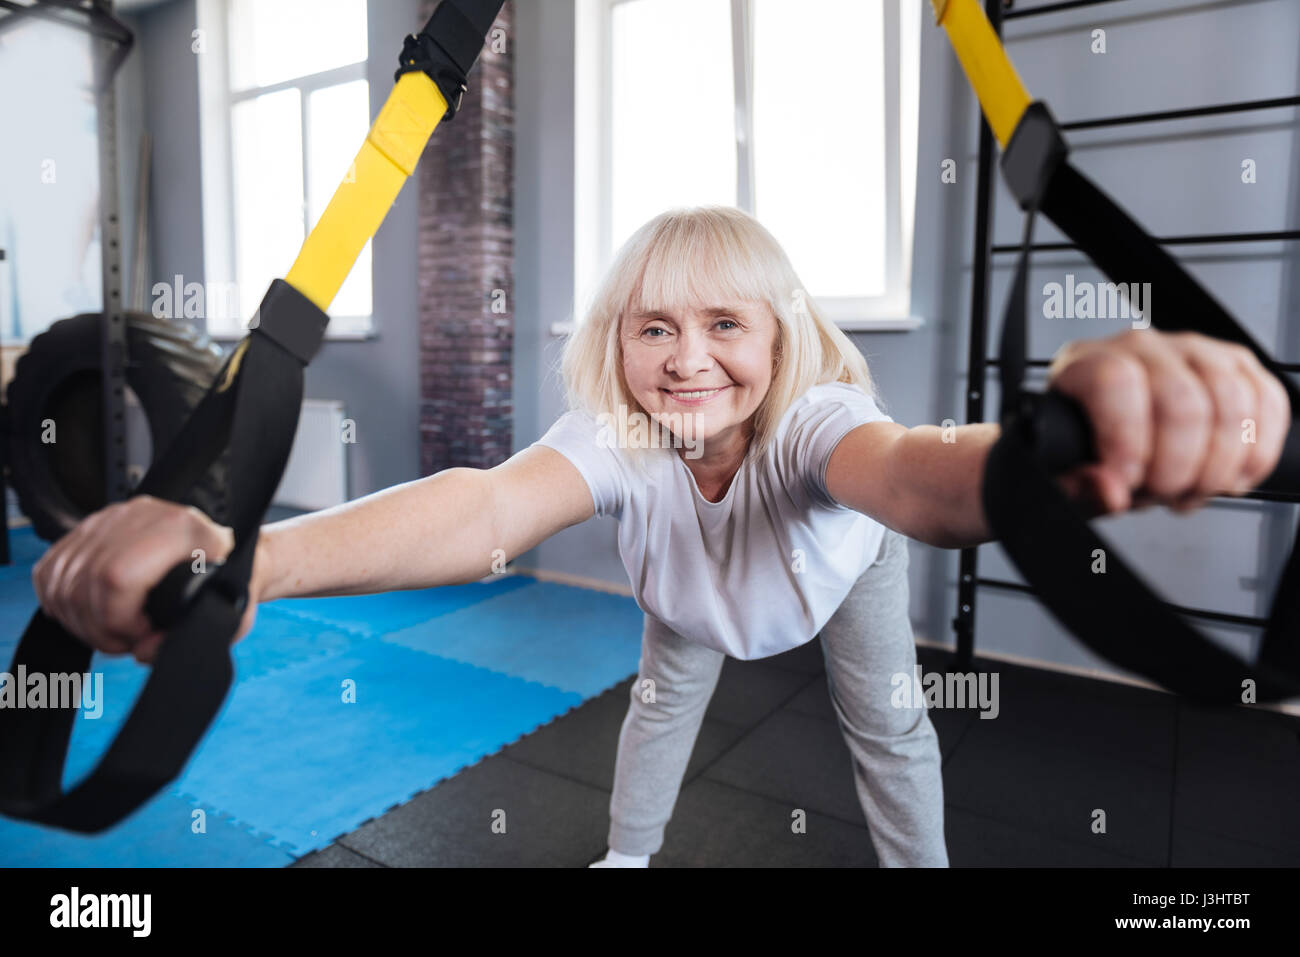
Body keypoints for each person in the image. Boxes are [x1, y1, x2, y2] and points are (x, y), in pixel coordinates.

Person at [31, 206, 1291, 867]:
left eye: (725, 327)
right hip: (689, 592)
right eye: (652, 330)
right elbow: (483, 507)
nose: (687, 360)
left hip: (831, 576)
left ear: (780, 338)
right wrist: (241, 556)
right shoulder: (616, 434)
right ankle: (630, 852)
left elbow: (914, 477)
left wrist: (1043, 455)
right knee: (657, 706)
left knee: (891, 726)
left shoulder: (816, 424)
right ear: (616, 346)